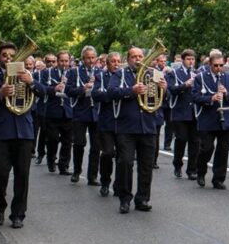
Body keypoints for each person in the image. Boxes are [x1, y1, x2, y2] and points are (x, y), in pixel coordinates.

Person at [0, 41, 46, 228]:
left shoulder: (27, 75)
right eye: (5, 55)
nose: (8, 58)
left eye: (12, 56)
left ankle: (18, 214)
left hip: (24, 132)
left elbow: (45, 93)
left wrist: (32, 83)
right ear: (0, 58)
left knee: (22, 175)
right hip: (0, 132)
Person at [108, 47, 166, 214]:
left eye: (140, 56)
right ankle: (125, 199)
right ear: (128, 59)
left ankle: (142, 199)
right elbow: (112, 92)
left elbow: (162, 99)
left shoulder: (152, 73)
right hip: (127, 127)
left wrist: (164, 88)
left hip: (148, 125)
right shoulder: (121, 74)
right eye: (134, 57)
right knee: (125, 162)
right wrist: (131, 91)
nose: (138, 59)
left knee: (146, 165)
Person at [192, 51, 229, 190]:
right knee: (207, 148)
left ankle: (218, 178)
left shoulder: (228, 77)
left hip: (225, 118)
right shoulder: (201, 77)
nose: (218, 68)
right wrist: (211, 98)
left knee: (223, 150)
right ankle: (201, 172)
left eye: (221, 65)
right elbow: (195, 98)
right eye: (216, 65)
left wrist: (226, 93)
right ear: (210, 64)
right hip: (208, 119)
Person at [65, 46, 101, 185]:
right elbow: (68, 90)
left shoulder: (100, 72)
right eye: (87, 58)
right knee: (79, 143)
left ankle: (92, 176)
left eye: (92, 58)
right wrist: (83, 88)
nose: (90, 60)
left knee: (96, 146)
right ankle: (76, 171)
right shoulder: (74, 72)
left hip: (96, 113)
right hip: (80, 112)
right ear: (83, 59)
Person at [166, 49, 199, 180]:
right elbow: (171, 89)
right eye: (188, 59)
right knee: (181, 139)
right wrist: (185, 85)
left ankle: (192, 169)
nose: (191, 62)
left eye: (193, 59)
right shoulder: (175, 73)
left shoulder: (197, 73)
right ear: (183, 60)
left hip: (195, 112)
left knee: (195, 142)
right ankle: (177, 165)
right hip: (180, 111)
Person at [91, 51, 121, 197]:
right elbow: (95, 94)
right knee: (107, 153)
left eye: (118, 61)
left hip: (123, 122)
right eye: (113, 61)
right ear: (107, 63)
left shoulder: (123, 77)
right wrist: (114, 94)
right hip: (106, 121)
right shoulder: (100, 76)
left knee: (123, 156)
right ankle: (105, 181)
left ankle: (119, 184)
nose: (116, 64)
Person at [42, 50, 73, 175]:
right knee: (53, 139)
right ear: (57, 61)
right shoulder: (48, 73)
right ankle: (51, 160)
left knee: (67, 141)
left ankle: (63, 166)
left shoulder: (72, 73)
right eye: (61, 61)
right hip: (52, 111)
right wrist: (54, 89)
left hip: (68, 111)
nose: (64, 63)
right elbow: (42, 88)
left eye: (66, 61)